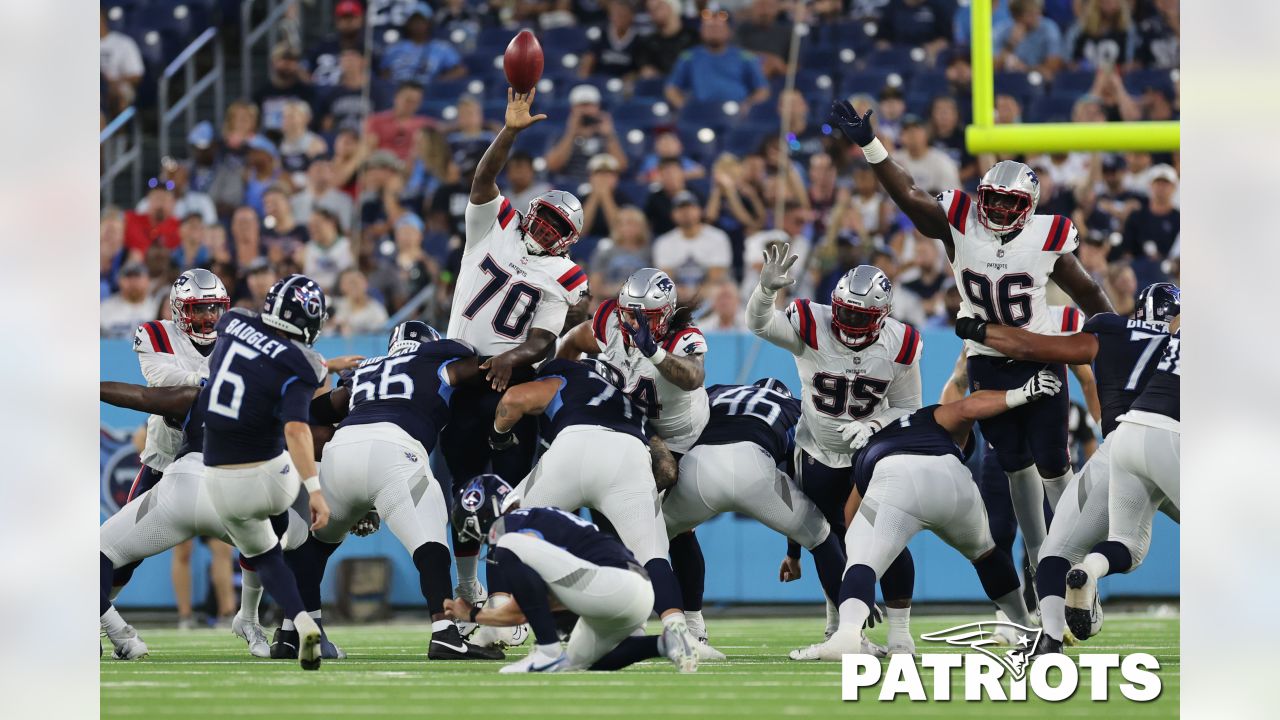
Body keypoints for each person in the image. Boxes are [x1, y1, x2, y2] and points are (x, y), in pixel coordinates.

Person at [828, 98, 1114, 575]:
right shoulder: (961, 221)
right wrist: (871, 146)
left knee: (1054, 465)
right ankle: (1043, 564)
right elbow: (912, 196)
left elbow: (1090, 293)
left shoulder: (1049, 236)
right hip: (985, 359)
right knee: (1015, 467)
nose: (999, 209)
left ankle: (1073, 562)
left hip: (1039, 357)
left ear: (1029, 207)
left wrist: (1123, 339)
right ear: (981, 196)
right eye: (994, 199)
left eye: (1010, 202)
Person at [955, 282, 1179, 655]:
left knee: (1056, 550)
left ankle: (1050, 638)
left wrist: (978, 329)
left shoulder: (1110, 330)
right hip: (1172, 440)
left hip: (1120, 446)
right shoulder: (1180, 342)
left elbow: (1033, 347)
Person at [442, 87, 590, 606]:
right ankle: (466, 589)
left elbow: (544, 340)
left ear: (568, 240)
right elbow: (483, 179)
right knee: (462, 490)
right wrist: (509, 130)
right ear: (531, 211)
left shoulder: (563, 275)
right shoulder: (495, 224)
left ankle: (514, 597)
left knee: (510, 497)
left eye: (557, 228)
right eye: (543, 217)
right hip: (458, 368)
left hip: (508, 383)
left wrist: (510, 357)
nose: (544, 230)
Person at [788, 374, 1055, 660]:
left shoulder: (879, 433)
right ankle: (1027, 632)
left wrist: (858, 584)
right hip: (951, 480)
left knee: (862, 558)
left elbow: (851, 513)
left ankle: (847, 635)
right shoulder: (934, 420)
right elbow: (968, 408)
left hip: (893, 479)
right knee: (987, 555)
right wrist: (1019, 393)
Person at [283, 322, 505, 661]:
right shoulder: (440, 359)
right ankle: (445, 633)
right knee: (430, 541)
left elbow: (316, 412)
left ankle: (294, 632)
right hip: (396, 449)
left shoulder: (365, 370)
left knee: (315, 547)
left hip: (339, 452)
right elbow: (485, 365)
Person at [747, 243, 923, 651]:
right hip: (817, 453)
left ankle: (900, 636)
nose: (848, 321)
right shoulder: (813, 323)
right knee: (827, 541)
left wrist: (875, 423)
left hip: (869, 455)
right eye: (844, 311)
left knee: (888, 536)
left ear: (882, 316)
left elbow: (908, 407)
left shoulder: (901, 342)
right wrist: (765, 293)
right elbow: (759, 325)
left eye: (860, 316)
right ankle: (842, 631)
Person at [490, 357, 711, 660]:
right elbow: (667, 468)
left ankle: (500, 618)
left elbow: (515, 399)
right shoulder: (632, 403)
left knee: (506, 525)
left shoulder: (569, 376)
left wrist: (499, 435)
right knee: (653, 554)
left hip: (573, 448)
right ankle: (678, 632)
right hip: (628, 455)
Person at [198, 275, 332, 671]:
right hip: (273, 476)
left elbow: (253, 360)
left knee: (265, 555)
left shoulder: (232, 320)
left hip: (222, 476)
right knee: (286, 537)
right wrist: (316, 490)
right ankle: (303, 620)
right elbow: (296, 429)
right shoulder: (304, 363)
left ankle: (297, 619)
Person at [663, 379, 851, 645]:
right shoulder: (795, 406)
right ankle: (847, 630)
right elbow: (798, 476)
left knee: (664, 537)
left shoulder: (716, 391)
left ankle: (691, 629)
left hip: (699, 465)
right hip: (754, 464)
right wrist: (794, 553)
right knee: (821, 536)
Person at [445, 477, 699, 673]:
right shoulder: (537, 522)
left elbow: (524, 606)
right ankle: (666, 643)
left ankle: (547, 651)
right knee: (579, 660)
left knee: (508, 543)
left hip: (612, 583)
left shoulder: (514, 528)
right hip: (631, 590)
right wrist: (475, 615)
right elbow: (522, 610)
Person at [1064, 328, 1180, 643]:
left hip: (1127, 432)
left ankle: (1089, 568)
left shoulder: (1137, 336)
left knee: (1128, 545)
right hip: (1171, 432)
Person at [664, 8, 769, 110]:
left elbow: (762, 89)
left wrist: (749, 106)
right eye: (709, 28)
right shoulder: (689, 57)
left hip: (736, 114)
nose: (714, 31)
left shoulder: (745, 57)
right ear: (701, 31)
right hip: (701, 112)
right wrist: (685, 108)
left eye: (718, 28)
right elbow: (671, 88)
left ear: (729, 31)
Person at [652, 192, 733, 299]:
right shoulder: (663, 242)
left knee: (721, 288)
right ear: (673, 214)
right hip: (678, 298)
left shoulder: (718, 237)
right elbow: (666, 278)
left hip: (710, 295)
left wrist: (693, 293)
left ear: (699, 210)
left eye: (690, 207)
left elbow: (716, 276)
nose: (686, 212)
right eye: (681, 209)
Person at [544, 84, 628, 186]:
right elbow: (553, 166)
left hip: (601, 186)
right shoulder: (562, 134)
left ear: (598, 107)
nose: (585, 110)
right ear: (572, 108)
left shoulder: (609, 133)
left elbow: (621, 167)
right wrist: (571, 133)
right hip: (571, 187)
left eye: (589, 105)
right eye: (581, 105)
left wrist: (609, 135)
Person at [380, 2, 465, 86]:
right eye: (413, 21)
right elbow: (384, 73)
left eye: (421, 21)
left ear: (429, 23)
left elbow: (460, 70)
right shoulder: (395, 48)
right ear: (408, 24)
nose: (417, 25)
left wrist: (439, 83)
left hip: (429, 92)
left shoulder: (441, 47)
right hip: (398, 90)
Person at [307, 0, 371, 88]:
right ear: (336, 20)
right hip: (320, 96)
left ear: (361, 19)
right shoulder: (322, 46)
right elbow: (305, 70)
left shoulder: (368, 49)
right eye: (344, 17)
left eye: (352, 17)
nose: (348, 21)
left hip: (353, 98)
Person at [994, 0, 1065, 78]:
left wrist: (1025, 69)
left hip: (1039, 82)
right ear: (1017, 17)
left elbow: (1053, 66)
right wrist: (1011, 44)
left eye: (1038, 12)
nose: (1036, 17)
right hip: (1009, 81)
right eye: (1030, 14)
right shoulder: (1003, 30)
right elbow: (993, 66)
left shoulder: (1049, 28)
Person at [253, 44, 314, 134]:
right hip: (268, 140)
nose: (288, 64)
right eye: (284, 59)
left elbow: (312, 121)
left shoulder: (306, 92)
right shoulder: (261, 92)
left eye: (293, 60)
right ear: (273, 62)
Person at [366, 81, 432, 163]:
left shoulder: (426, 125)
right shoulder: (376, 120)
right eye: (408, 100)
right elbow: (369, 148)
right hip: (381, 165)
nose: (410, 105)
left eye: (415, 102)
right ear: (396, 97)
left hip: (411, 168)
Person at [895, 115, 961, 195]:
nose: (912, 135)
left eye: (916, 130)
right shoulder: (895, 160)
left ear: (926, 133)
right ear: (901, 137)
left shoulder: (942, 161)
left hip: (935, 206)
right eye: (906, 131)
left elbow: (953, 196)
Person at [1063, 0, 1137, 70]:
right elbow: (1069, 62)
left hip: (1117, 79)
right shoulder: (1081, 28)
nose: (1109, 2)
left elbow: (1128, 65)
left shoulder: (1127, 29)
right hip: (1083, 78)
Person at [636, 0, 699, 77]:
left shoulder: (694, 37)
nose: (653, 13)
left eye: (658, 7)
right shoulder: (649, 43)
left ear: (671, 7)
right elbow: (645, 69)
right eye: (650, 10)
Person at [579, 0, 641, 78]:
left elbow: (640, 69)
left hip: (624, 84)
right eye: (616, 14)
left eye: (623, 14)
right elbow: (588, 60)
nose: (619, 18)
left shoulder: (638, 40)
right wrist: (583, 80)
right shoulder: (601, 34)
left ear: (631, 16)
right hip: (600, 80)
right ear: (610, 16)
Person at [100, 8, 143, 113]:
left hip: (119, 85)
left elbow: (136, 75)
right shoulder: (81, 45)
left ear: (103, 20)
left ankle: (119, 128)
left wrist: (113, 82)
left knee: (116, 94)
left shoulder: (123, 43)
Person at [303, 208, 354, 293]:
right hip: (313, 296)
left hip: (341, 295)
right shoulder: (307, 248)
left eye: (317, 224)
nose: (313, 229)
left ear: (331, 222)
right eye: (310, 225)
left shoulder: (348, 245)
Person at [101, 262, 159, 337]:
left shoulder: (157, 307)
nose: (133, 282)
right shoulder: (105, 308)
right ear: (118, 280)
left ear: (148, 281)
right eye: (128, 277)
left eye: (138, 277)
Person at [330, 269, 391, 336]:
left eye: (356, 282)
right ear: (342, 287)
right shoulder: (334, 307)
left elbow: (382, 335)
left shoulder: (377, 310)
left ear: (366, 284)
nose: (353, 286)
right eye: (349, 283)